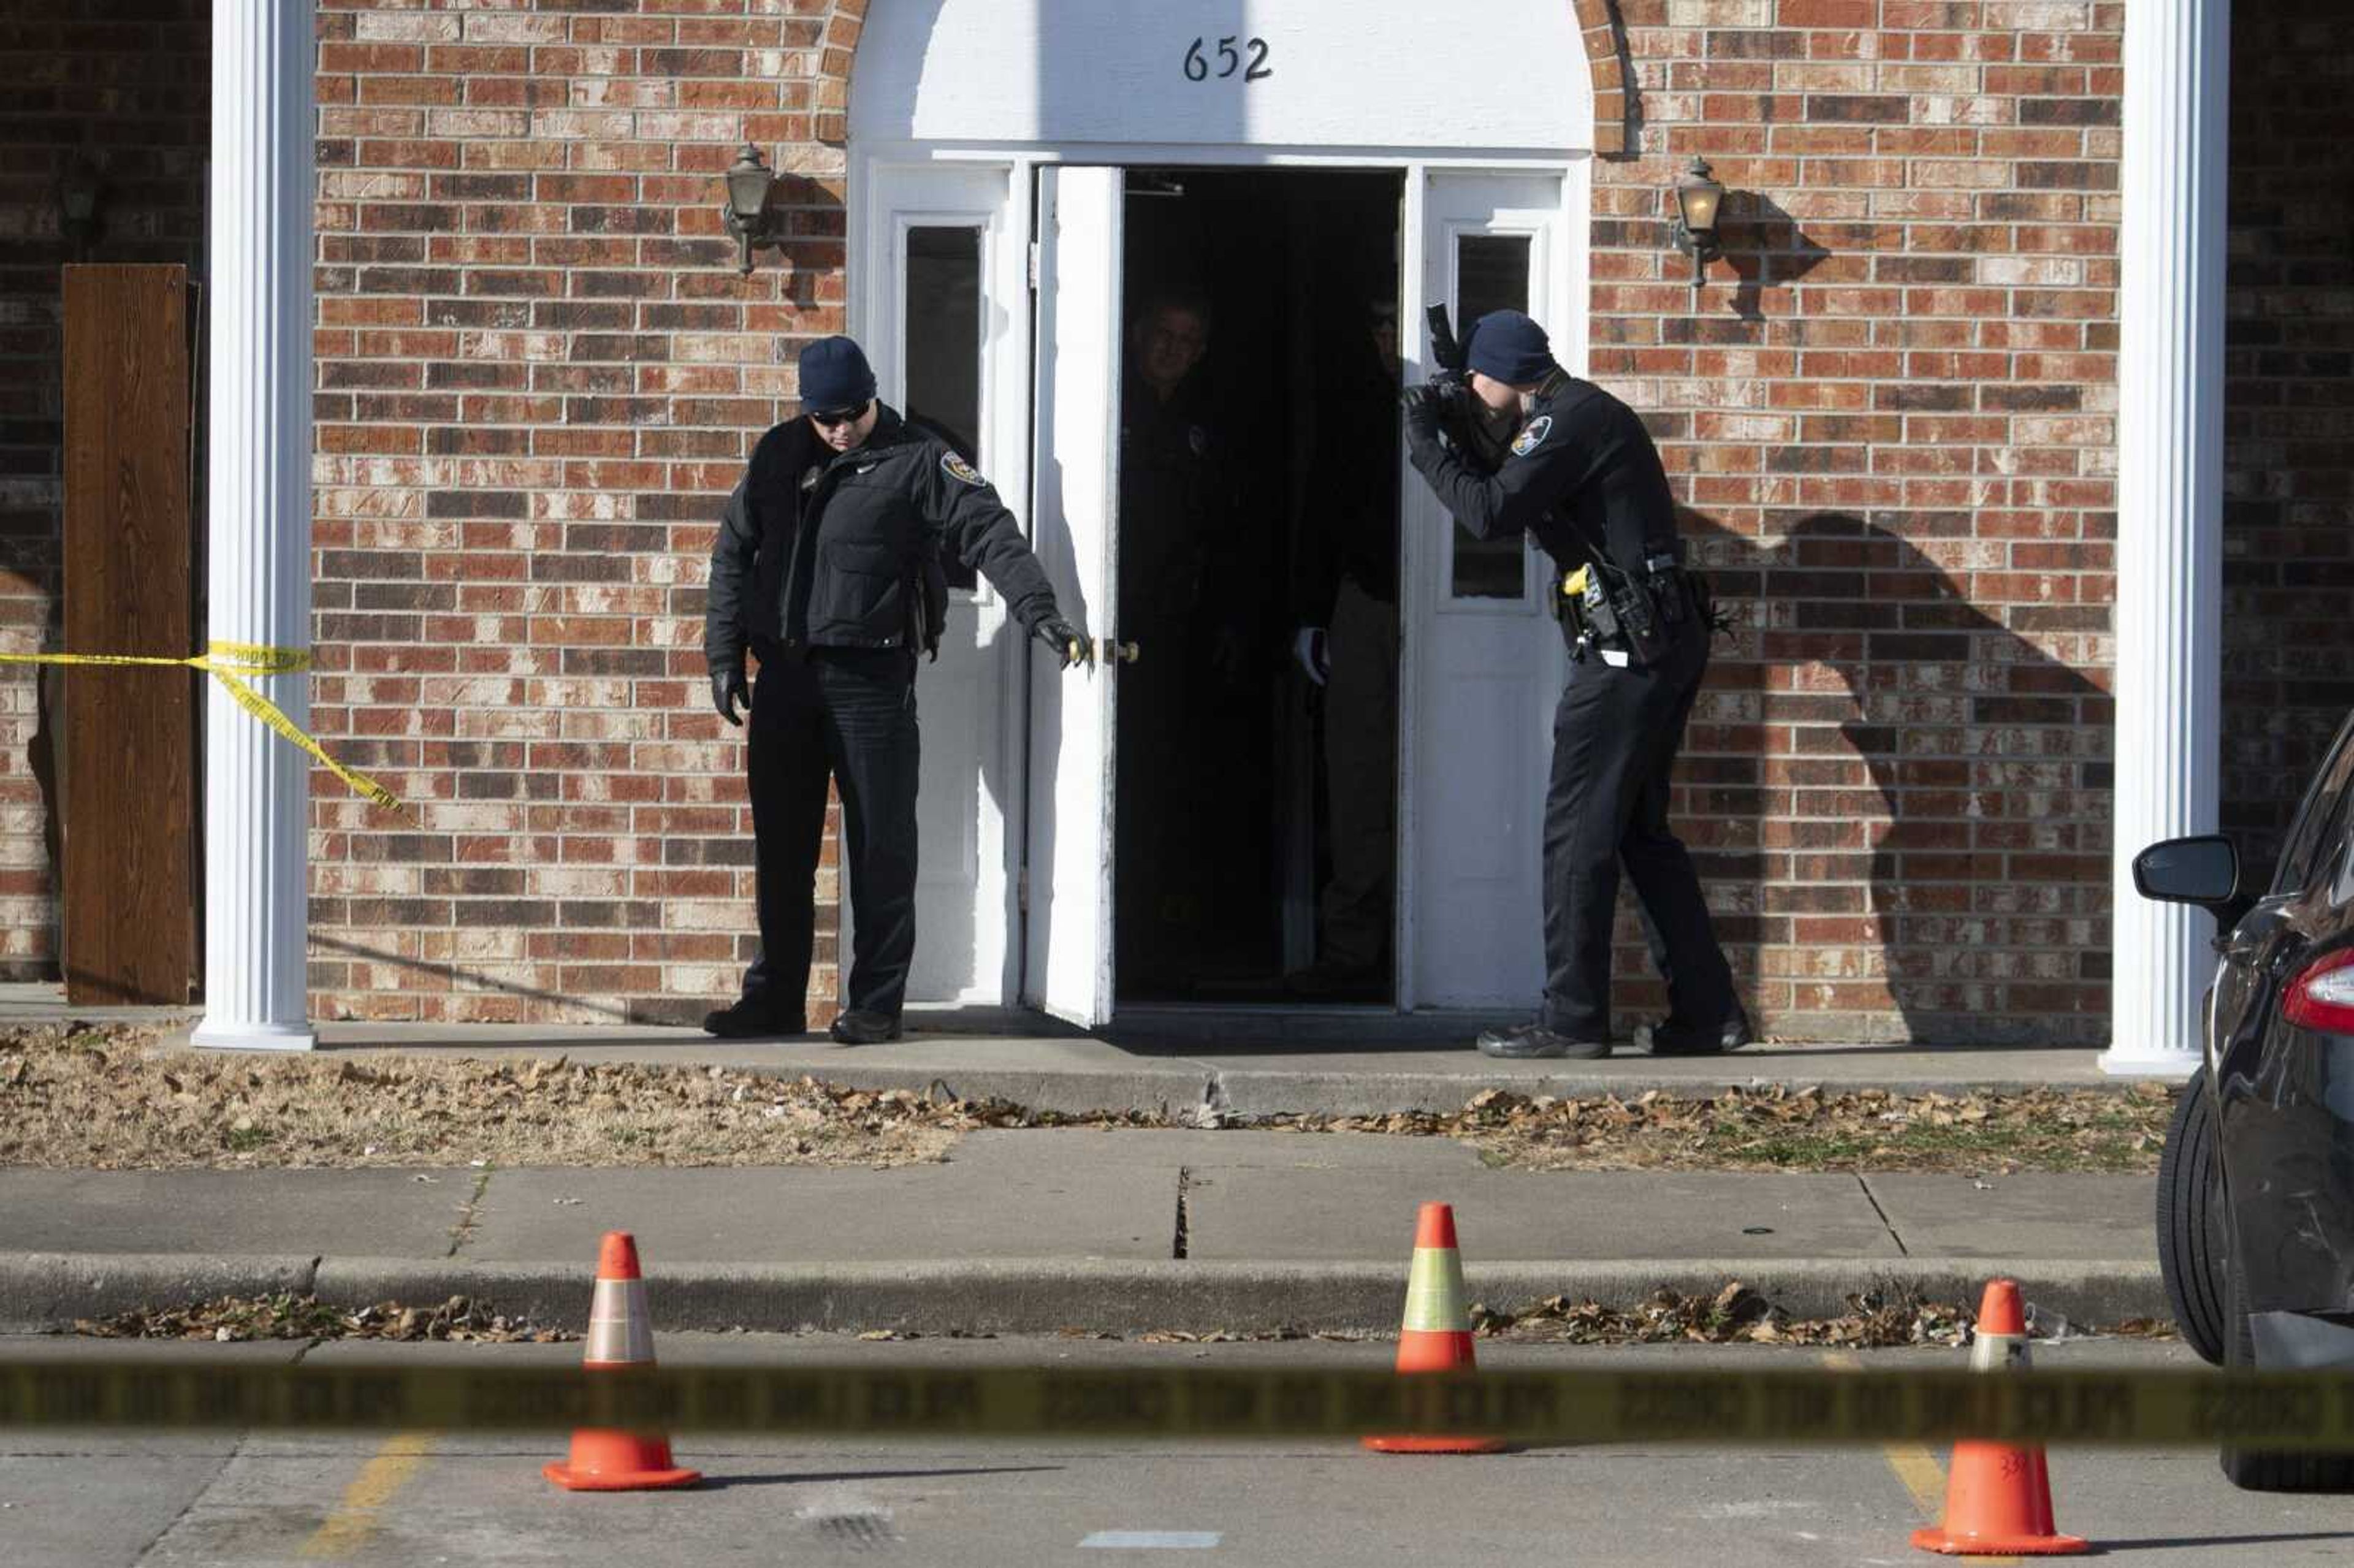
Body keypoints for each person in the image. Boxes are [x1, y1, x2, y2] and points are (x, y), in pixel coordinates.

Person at [703, 335, 1088, 1043]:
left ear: (873, 395)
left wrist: (1040, 611)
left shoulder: (920, 458)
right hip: (786, 680)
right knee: (782, 852)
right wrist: (723, 653)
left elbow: (989, 531)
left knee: (882, 847)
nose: (842, 429)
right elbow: (735, 551)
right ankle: (776, 998)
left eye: (853, 412)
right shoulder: (779, 454)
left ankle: (876, 1004)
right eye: (826, 418)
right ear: (807, 411)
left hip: (871, 683)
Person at [1400, 309, 1748, 1060]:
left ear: (1503, 372)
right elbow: (1518, 485)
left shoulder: (1569, 420)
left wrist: (1426, 445)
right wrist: (1462, 430)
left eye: (1473, 375)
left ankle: (1572, 1018)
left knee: (1576, 836)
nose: (1466, 385)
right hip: (1660, 642)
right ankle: (1708, 1010)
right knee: (1639, 834)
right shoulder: (1578, 413)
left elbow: (1490, 511)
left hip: (1628, 654)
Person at [1289, 297, 1402, 999]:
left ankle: (1445, 947)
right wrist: (1311, 612)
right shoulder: (1357, 405)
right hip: (1368, 597)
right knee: (1359, 773)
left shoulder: (1470, 403)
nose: (1389, 338)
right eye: (1380, 323)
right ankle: (1354, 950)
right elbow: (1322, 507)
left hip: (1464, 600)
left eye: (1398, 324)